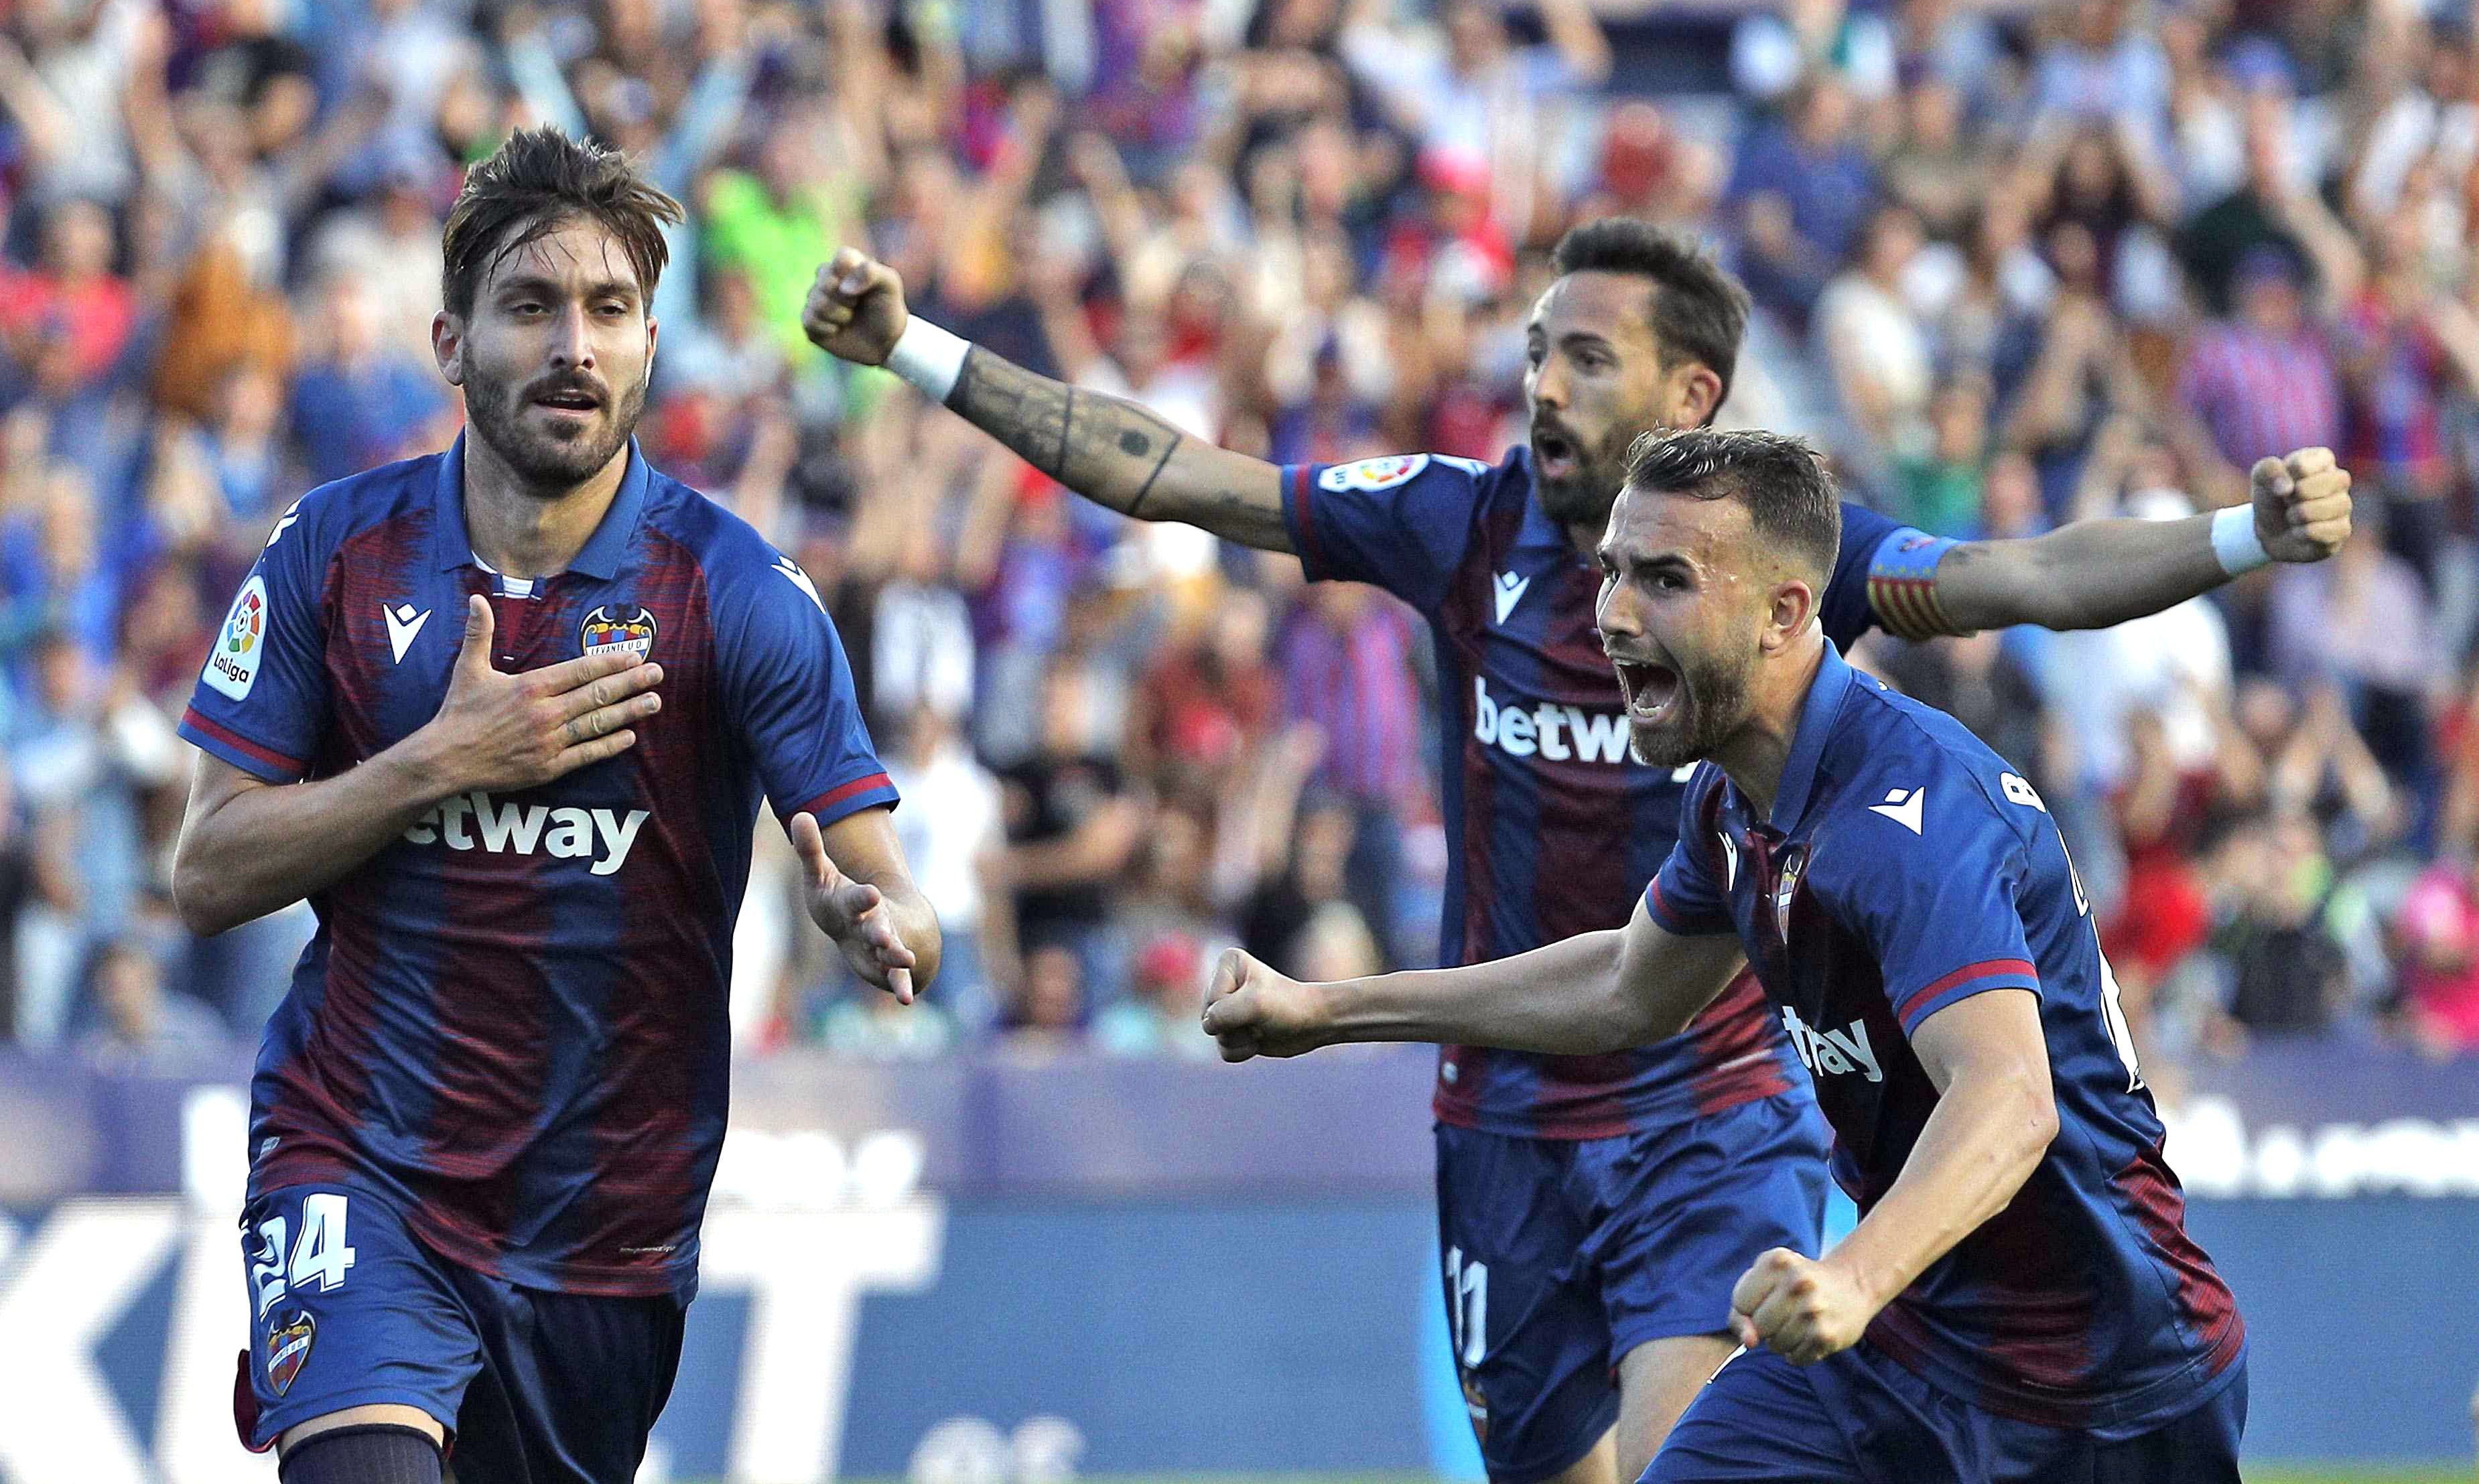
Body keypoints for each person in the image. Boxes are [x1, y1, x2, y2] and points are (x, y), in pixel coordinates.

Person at [802, 219, 2342, 1484]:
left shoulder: (1866, 732)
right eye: (1532, 348)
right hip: (1524, 1130)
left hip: (1764, 1150)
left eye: (1581, 356)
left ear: (1693, 404)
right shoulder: (1488, 559)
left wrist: (2234, 539)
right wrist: (916, 353)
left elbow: (2027, 587)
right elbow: (1615, 976)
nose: (1538, 383)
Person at [1204, 429, 2249, 1483]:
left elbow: (2011, 1098)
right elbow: (1624, 986)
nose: (1612, 615)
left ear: (1786, 613)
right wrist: (1328, 1010)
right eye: (1612, 571)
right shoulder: (1729, 802)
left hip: (2107, 1381)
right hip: (1908, 1344)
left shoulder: (1906, 817)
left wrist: (1849, 1279)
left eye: (1664, 580)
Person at [170, 127, 939, 1484]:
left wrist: (874, 916)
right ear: (451, 342)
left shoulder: (737, 593)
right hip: (358, 1159)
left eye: (607, 311)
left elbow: (892, 886)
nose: (572, 343)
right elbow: (207, 869)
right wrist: (437, 760)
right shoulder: (332, 554)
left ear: (650, 345)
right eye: (530, 306)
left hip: (604, 1230)